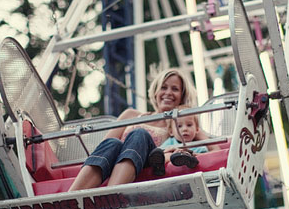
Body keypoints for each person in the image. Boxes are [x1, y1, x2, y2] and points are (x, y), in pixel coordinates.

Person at [68, 68, 197, 191]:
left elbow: (203, 140)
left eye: (175, 89)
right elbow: (104, 145)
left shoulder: (181, 123)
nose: (168, 92)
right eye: (163, 87)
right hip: (116, 160)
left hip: (148, 162)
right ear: (155, 92)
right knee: (113, 143)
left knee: (139, 134)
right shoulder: (131, 115)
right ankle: (70, 197)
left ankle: (111, 193)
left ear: (182, 96)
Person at [147, 105, 211, 175]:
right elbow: (161, 152)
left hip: (191, 165)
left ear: (197, 129)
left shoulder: (198, 145)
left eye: (189, 125)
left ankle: (188, 159)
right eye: (179, 126)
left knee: (196, 156)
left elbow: (204, 157)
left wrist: (193, 154)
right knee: (166, 154)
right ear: (171, 131)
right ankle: (158, 167)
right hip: (172, 163)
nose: (185, 129)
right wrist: (169, 153)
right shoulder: (170, 142)